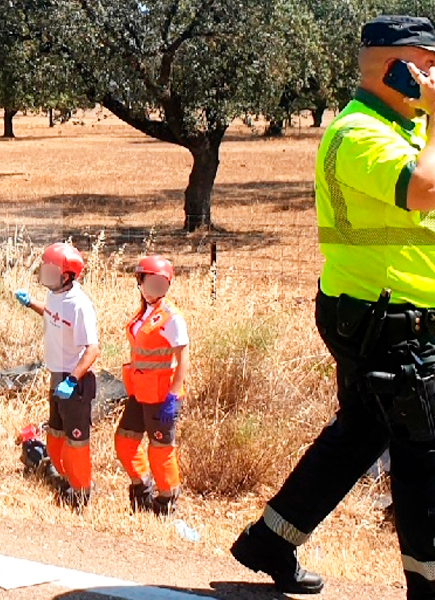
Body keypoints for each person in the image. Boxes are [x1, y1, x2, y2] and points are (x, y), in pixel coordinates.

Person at [231, 15, 435, 597]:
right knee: (423, 450)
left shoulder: (408, 129)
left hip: (389, 310)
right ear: (399, 66)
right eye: (431, 63)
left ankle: (271, 539)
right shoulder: (359, 133)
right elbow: (424, 190)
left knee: (361, 434)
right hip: (383, 319)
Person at [14, 242, 99, 510]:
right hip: (57, 375)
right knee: (55, 435)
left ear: (66, 275)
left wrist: (72, 380)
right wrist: (31, 304)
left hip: (75, 381)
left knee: (76, 441)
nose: (44, 272)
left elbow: (93, 349)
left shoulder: (80, 305)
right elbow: (52, 315)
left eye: (50, 269)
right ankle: (64, 477)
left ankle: (80, 492)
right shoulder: (55, 295)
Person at [115, 255, 188, 516]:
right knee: (125, 442)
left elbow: (183, 359)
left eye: (162, 283)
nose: (156, 288)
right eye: (151, 281)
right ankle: (142, 489)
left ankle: (166, 502)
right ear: (140, 281)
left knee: (161, 452)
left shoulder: (171, 317)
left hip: (161, 395)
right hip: (139, 391)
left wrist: (173, 396)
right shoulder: (144, 312)